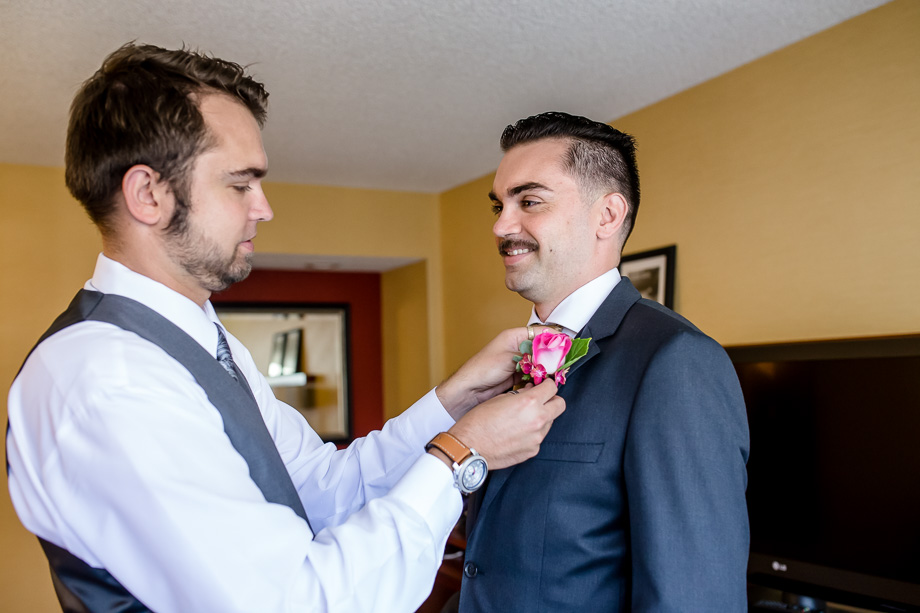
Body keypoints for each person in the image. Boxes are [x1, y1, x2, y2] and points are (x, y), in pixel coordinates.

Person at [5, 44, 565, 613]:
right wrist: (461, 453)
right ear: (149, 194)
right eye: (239, 184)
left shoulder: (203, 340)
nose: (264, 207)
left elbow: (321, 487)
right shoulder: (108, 379)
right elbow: (300, 602)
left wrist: (454, 402)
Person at [457, 112, 750, 612]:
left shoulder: (675, 362)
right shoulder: (505, 360)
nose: (501, 225)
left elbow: (693, 597)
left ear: (608, 216)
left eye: (529, 201)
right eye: (499, 204)